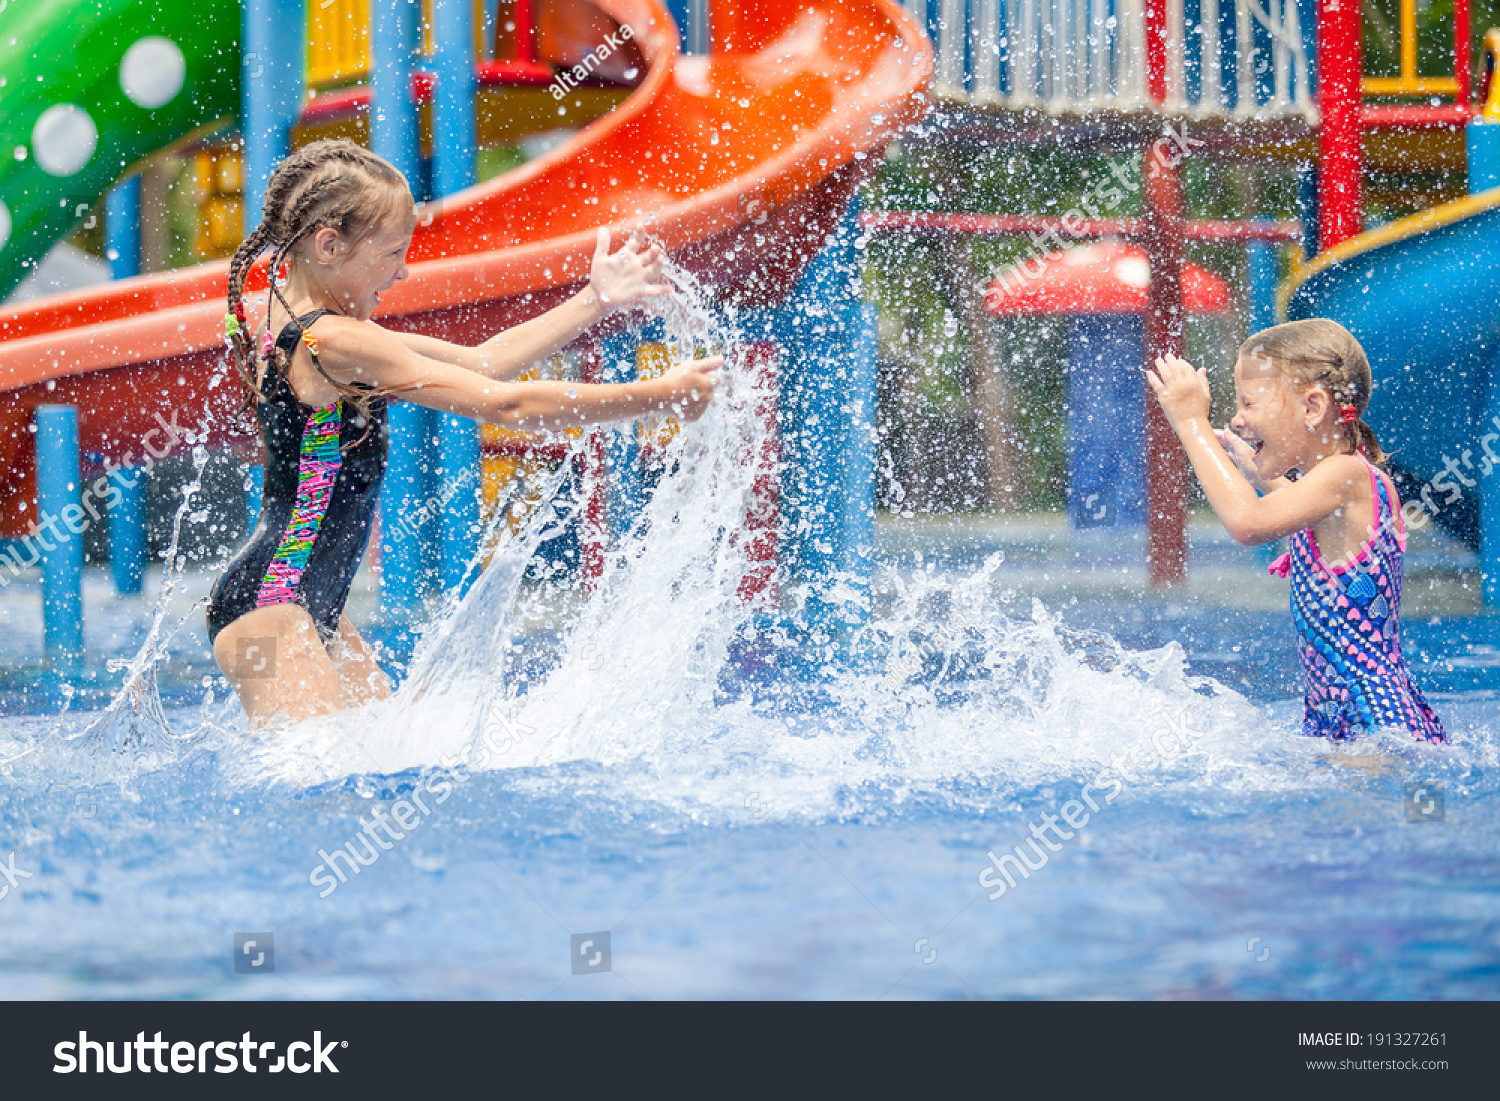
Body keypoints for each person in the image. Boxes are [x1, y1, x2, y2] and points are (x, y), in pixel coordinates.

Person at [208, 138, 722, 726]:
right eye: (393, 252)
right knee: (323, 794)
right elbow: (511, 403)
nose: (403, 270)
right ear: (329, 245)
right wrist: (660, 395)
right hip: (270, 611)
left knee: (380, 765)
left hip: (304, 606)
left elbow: (482, 364)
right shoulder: (335, 340)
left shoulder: (302, 324)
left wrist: (593, 300)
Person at [1146, 318, 1446, 744]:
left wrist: (1191, 425)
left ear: (1312, 408)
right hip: (1342, 714)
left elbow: (1250, 523)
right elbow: (1289, 503)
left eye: (1248, 404)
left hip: (1374, 717)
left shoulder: (1347, 475)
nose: (1237, 419)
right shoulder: (1332, 485)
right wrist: (1256, 470)